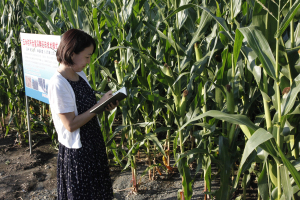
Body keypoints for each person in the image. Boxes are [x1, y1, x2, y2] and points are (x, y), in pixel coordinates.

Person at [48, 29, 118, 200]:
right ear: (72, 54)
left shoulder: (79, 74)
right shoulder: (58, 84)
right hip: (78, 152)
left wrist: (104, 105)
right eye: (87, 56)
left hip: (93, 142)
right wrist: (98, 105)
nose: (89, 61)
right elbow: (70, 125)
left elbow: (88, 109)